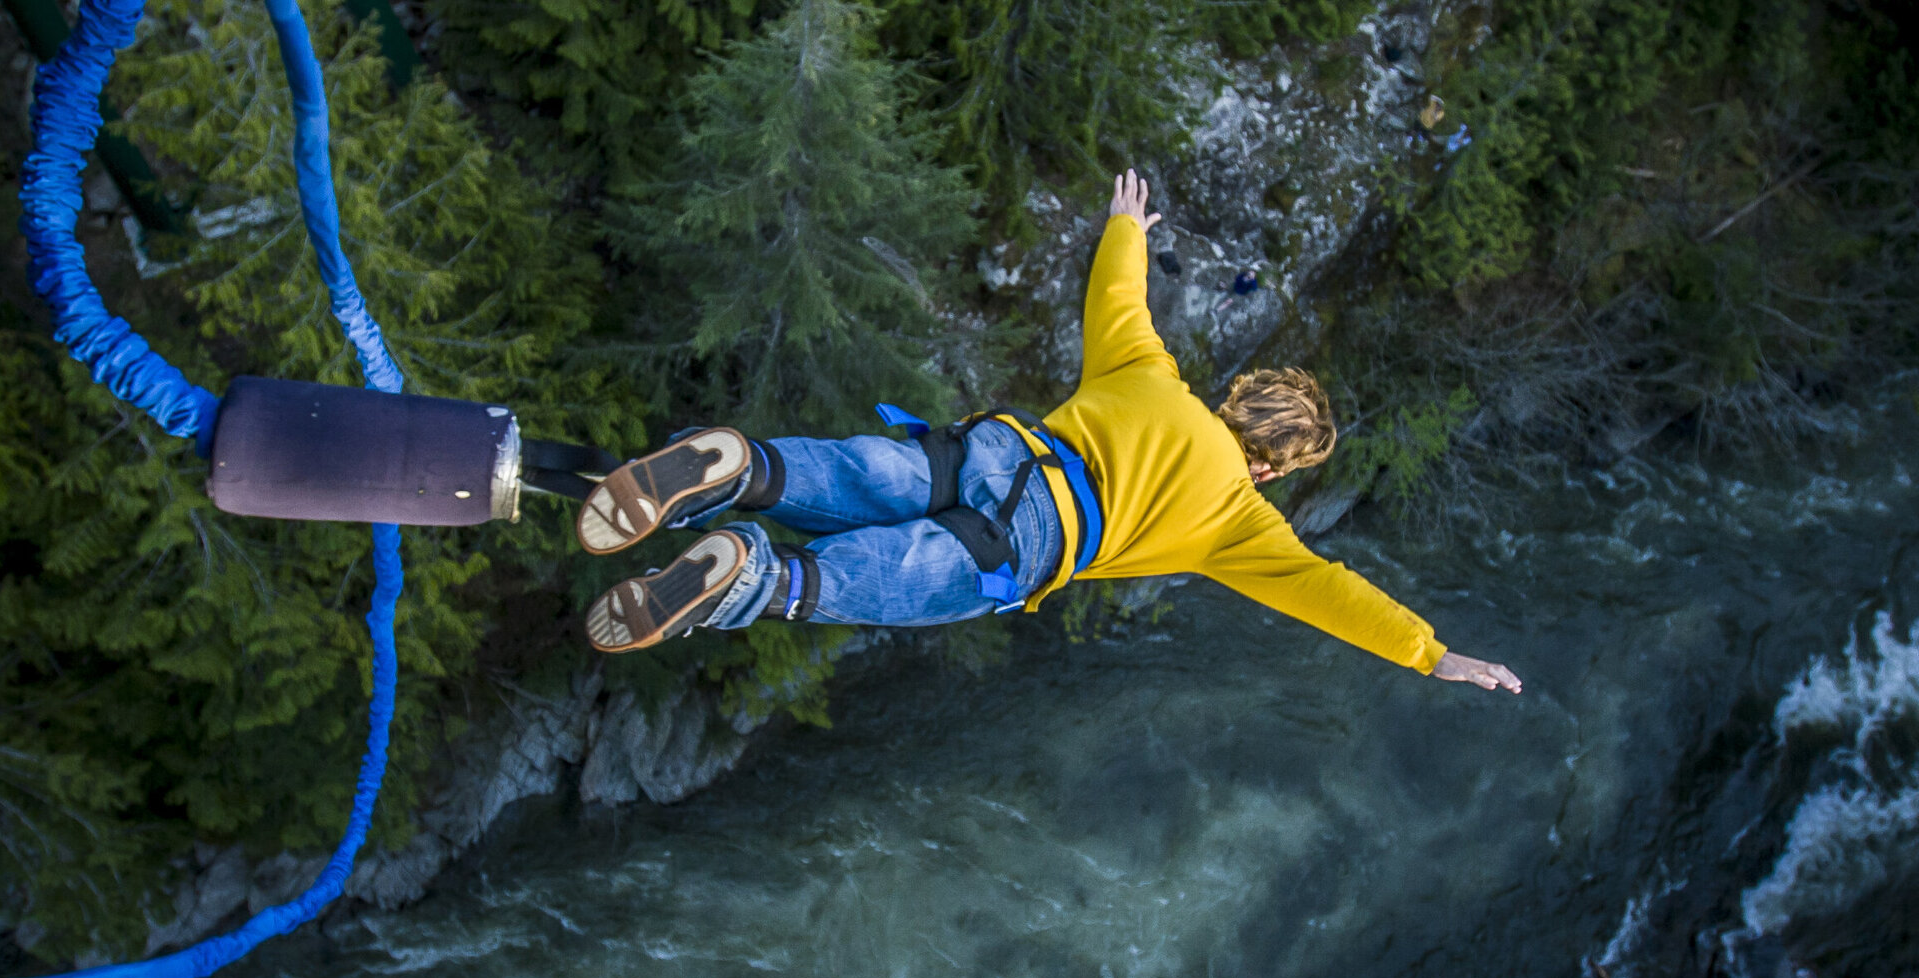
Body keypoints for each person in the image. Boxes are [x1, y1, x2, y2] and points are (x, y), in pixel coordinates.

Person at [575, 169, 1521, 695]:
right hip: (1032, 542)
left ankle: (743, 467)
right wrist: (1433, 653)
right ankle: (752, 574)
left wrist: (1128, 225)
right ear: (1271, 467)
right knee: (868, 580)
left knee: (867, 474)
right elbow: (1329, 594)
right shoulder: (1240, 522)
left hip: (995, 451)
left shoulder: (1149, 373)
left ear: (1235, 397)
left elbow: (1119, 296)